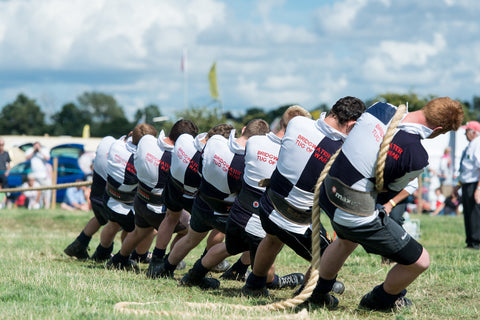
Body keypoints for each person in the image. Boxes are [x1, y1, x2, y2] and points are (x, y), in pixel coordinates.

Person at [316, 97, 463, 311]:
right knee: (420, 261)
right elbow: (384, 194)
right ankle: (379, 300)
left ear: (428, 106)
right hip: (353, 212)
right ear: (439, 129)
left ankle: (317, 292)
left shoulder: (380, 108)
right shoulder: (416, 156)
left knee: (346, 241)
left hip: (329, 195)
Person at [241, 96, 366, 298]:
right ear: (351, 124)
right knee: (330, 254)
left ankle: (254, 285)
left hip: (267, 205)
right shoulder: (343, 152)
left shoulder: (297, 123)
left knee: (272, 238)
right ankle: (308, 296)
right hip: (293, 221)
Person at [179, 106, 312, 290]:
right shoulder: (290, 154)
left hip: (237, 213)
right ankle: (272, 283)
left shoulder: (256, 142)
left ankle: (194, 275)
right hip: (259, 219)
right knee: (267, 260)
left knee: (228, 247)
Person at [150, 119, 270, 286]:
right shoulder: (248, 162)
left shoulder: (216, 143)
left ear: (243, 130)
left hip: (202, 203)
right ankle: (231, 271)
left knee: (190, 239)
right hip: (224, 212)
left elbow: (201, 168)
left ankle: (165, 269)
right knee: (251, 241)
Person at [106, 119, 198, 271]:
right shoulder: (177, 156)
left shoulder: (148, 142)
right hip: (158, 208)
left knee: (139, 231)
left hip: (140, 201)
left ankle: (119, 259)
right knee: (189, 228)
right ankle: (168, 259)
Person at [146, 123, 235, 277]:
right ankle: (208, 262)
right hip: (197, 196)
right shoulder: (215, 156)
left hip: (175, 187)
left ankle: (156, 260)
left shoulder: (185, 140)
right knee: (215, 227)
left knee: (170, 218)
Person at [90, 124, 158, 262]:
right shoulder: (140, 160)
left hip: (109, 198)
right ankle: (128, 256)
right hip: (126, 205)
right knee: (145, 228)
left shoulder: (116, 145)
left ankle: (102, 252)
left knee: (113, 224)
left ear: (131, 134)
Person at [64, 136, 116, 260]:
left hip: (96, 196)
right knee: (118, 223)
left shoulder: (107, 146)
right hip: (107, 197)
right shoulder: (120, 152)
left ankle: (78, 245)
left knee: (100, 218)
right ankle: (103, 253)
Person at [458, 121, 480, 250]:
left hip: (474, 183)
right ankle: (470, 240)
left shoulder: (477, 145)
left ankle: (476, 240)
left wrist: (478, 189)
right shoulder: (470, 145)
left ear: (473, 132)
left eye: (467, 131)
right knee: (468, 212)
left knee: (474, 213)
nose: (465, 133)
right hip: (467, 183)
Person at [25, 142, 51, 209]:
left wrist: (40, 151)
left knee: (45, 191)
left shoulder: (43, 151)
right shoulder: (30, 151)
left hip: (43, 176)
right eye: (35, 146)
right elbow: (27, 158)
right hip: (33, 176)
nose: (36, 148)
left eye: (38, 146)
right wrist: (34, 151)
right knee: (36, 192)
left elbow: (48, 158)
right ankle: (37, 205)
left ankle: (46, 206)